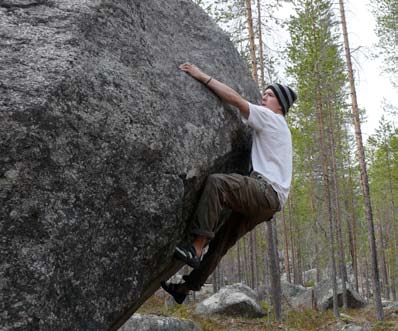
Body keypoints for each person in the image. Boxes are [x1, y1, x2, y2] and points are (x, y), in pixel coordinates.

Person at [161, 63, 297, 304]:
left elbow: (236, 101)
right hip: (271, 203)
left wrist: (204, 77)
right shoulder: (282, 129)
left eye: (269, 95)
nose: (263, 97)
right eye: (264, 94)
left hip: (265, 191)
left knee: (217, 184)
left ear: (280, 104)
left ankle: (196, 246)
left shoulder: (272, 118)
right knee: (222, 241)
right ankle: (185, 288)